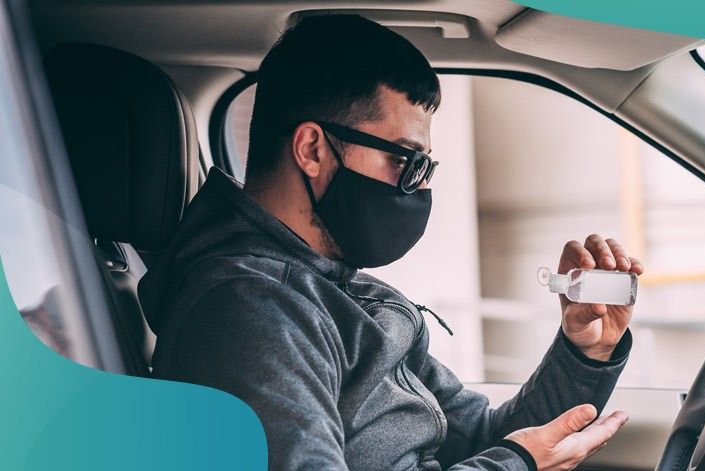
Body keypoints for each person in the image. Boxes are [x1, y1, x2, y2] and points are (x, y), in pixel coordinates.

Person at [139, 14, 644, 471]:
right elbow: (508, 455)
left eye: (425, 166)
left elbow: (489, 438)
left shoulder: (349, 295)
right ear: (312, 149)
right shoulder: (247, 309)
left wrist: (585, 350)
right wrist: (514, 466)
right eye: (405, 160)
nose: (420, 187)